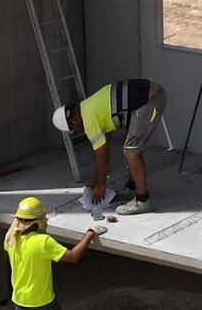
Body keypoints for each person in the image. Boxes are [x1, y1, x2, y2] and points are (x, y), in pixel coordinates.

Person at [51, 78, 168, 216]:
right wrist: (97, 177)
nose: (77, 130)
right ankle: (133, 186)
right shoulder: (88, 106)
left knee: (131, 151)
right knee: (129, 142)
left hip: (150, 101)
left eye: (73, 129)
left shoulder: (88, 120)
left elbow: (102, 153)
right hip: (151, 95)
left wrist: (101, 184)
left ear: (73, 120)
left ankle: (143, 200)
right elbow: (104, 148)